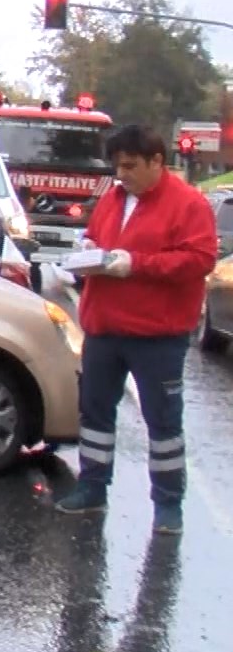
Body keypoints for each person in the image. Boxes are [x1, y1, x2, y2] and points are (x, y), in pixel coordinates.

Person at [55, 124, 216, 535]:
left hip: (157, 335)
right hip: (105, 328)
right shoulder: (114, 199)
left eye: (130, 166)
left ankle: (168, 505)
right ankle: (92, 487)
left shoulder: (189, 204)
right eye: (117, 167)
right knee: (95, 414)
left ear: (157, 162)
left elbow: (198, 260)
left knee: (163, 422)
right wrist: (87, 254)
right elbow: (98, 238)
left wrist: (136, 264)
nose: (121, 174)